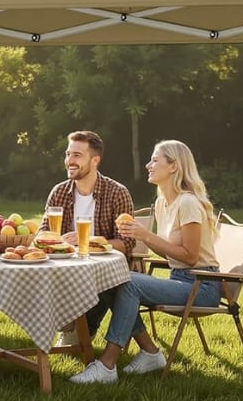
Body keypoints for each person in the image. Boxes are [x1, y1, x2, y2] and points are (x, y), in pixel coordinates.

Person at [69, 139, 221, 384]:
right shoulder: (163, 203)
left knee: (128, 283)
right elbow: (172, 254)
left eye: (154, 160)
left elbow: (190, 256)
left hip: (201, 286)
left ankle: (107, 365)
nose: (149, 165)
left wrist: (145, 235)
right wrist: (141, 236)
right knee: (111, 280)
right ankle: (150, 352)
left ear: (173, 167)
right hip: (180, 280)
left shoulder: (189, 203)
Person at [44, 130, 134, 343]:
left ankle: (83, 327)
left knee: (73, 343)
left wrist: (89, 243)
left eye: (77, 155)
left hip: (102, 273)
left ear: (95, 160)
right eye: (68, 154)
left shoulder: (117, 192)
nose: (69, 161)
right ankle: (65, 324)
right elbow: (42, 232)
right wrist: (57, 242)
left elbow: (127, 243)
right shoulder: (58, 192)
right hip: (64, 269)